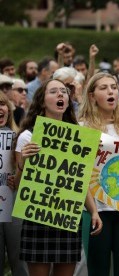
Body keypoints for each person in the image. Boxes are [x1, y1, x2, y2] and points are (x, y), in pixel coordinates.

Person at [15, 79, 102, 276]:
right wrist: (24, 163)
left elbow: (80, 180)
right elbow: (19, 186)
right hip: (38, 218)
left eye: (63, 91)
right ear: (42, 101)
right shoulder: (27, 137)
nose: (60, 94)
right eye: (53, 91)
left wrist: (94, 211)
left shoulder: (78, 136)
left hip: (67, 217)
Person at [79, 72, 119, 276]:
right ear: (91, 96)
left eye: (114, 87)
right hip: (97, 211)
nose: (111, 92)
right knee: (98, 269)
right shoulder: (82, 128)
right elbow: (79, 174)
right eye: (104, 88)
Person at [0, 92, 27, 276]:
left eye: (2, 104)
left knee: (21, 264)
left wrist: (18, 174)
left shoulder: (21, 138)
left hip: (15, 206)